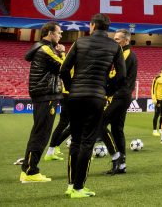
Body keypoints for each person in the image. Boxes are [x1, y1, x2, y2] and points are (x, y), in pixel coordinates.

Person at [59, 13, 126, 198]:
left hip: (75, 96)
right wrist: (108, 90)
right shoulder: (115, 47)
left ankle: (71, 185)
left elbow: (64, 69)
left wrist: (71, 87)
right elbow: (121, 75)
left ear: (92, 25)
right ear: (107, 28)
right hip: (96, 97)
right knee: (88, 142)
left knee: (76, 139)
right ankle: (79, 187)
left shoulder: (79, 43)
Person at [19, 21, 64, 183]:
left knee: (40, 132)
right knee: (41, 134)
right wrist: (63, 52)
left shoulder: (44, 48)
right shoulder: (45, 49)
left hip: (45, 95)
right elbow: (63, 67)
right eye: (59, 33)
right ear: (50, 33)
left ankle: (28, 169)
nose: (61, 35)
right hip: (46, 95)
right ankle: (30, 171)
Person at [101, 30, 138, 175]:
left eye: (117, 39)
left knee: (100, 124)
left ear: (126, 41)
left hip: (121, 95)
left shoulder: (126, 54)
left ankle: (116, 157)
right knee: (117, 129)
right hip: (122, 95)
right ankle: (122, 165)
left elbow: (119, 76)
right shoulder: (122, 53)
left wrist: (106, 86)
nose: (114, 41)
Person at [151, 66, 162, 136]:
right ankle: (154, 130)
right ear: (161, 70)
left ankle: (161, 129)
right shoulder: (157, 78)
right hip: (158, 100)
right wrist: (154, 99)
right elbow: (153, 89)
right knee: (156, 115)